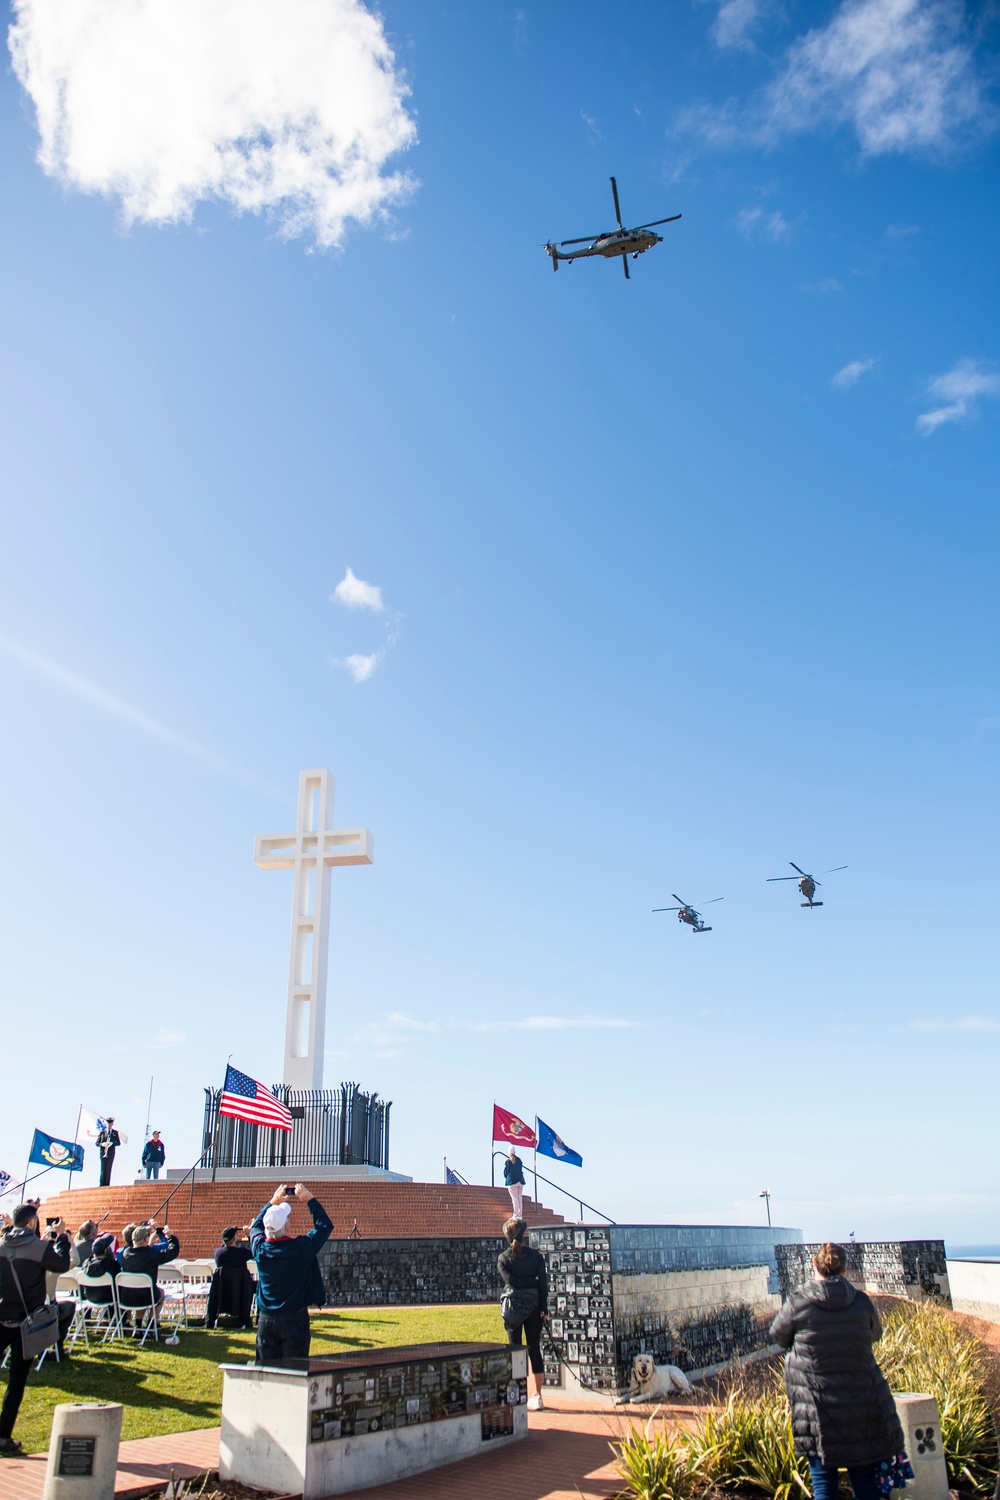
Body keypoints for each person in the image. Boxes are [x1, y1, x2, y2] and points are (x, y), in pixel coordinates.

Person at [770, 1242, 906, 1500]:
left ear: (814, 1265)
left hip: (815, 1408)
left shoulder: (798, 1303)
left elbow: (778, 1336)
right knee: (866, 1485)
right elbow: (875, 1334)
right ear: (845, 1269)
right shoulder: (861, 1302)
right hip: (861, 1407)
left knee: (824, 1486)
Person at [0, 1203, 71, 1455]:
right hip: (27, 1321)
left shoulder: (1, 1244)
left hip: (2, 1316)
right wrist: (61, 1236)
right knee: (16, 1382)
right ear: (32, 1223)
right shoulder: (40, 1248)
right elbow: (63, 1264)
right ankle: (3, 1436)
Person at [249, 1184, 332, 1364]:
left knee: (265, 1369)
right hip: (294, 1319)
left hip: (266, 1319)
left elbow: (254, 1227)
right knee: (295, 1372)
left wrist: (272, 1202)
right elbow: (324, 1226)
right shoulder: (300, 1249)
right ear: (287, 1224)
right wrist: (310, 1199)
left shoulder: (260, 1249)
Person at [498, 1216, 548, 1412]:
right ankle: (537, 1394)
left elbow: (510, 1281)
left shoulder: (503, 1259)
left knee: (515, 1350)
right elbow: (542, 1284)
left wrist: (523, 1282)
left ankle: (518, 1392)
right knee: (534, 1349)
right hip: (534, 1307)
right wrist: (542, 1305)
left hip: (512, 1310)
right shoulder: (536, 1257)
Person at [119, 1222, 179, 1324]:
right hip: (147, 1296)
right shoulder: (151, 1255)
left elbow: (137, 1250)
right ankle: (152, 1323)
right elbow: (172, 1252)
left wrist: (148, 1245)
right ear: (146, 1239)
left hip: (126, 1296)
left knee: (139, 1288)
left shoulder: (125, 1253)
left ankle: (138, 1325)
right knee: (159, 1293)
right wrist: (171, 1237)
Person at [207, 1227, 254, 1330]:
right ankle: (249, 1319)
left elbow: (223, 1248)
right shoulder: (241, 1253)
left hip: (223, 1288)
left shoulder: (218, 1253)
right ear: (235, 1238)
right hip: (240, 1288)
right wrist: (250, 1236)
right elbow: (254, 1251)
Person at [96, 1119, 121, 1187]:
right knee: (103, 1168)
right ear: (106, 1124)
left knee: (109, 1168)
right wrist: (102, 1144)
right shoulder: (102, 1132)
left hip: (110, 1152)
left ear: (112, 1124)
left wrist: (112, 1143)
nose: (109, 1125)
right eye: (108, 1124)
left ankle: (107, 1184)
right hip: (103, 1152)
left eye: (110, 1124)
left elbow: (118, 1143)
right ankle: (101, 1184)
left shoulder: (115, 1132)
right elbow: (97, 1143)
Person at [504, 1148, 526, 1217]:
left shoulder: (508, 1162)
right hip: (520, 1181)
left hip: (512, 1182)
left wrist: (506, 1177)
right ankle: (520, 1214)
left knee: (515, 1198)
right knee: (519, 1198)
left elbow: (506, 1172)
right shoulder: (519, 1160)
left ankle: (516, 1214)